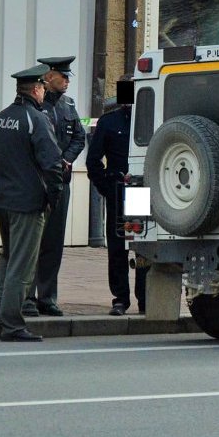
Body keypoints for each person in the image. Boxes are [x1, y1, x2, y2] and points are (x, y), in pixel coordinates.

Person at [0, 64, 64, 342]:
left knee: (8, 255)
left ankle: (1, 307)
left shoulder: (2, 118)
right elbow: (52, 163)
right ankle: (12, 323)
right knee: (22, 264)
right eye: (43, 87)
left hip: (2, 199)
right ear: (36, 89)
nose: (44, 92)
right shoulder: (36, 119)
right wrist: (53, 197)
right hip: (27, 202)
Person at [22, 55, 86, 317]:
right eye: (63, 76)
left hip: (61, 183)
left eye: (68, 77)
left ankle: (47, 297)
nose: (67, 81)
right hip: (38, 182)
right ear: (49, 77)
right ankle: (27, 296)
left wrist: (66, 160)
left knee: (53, 243)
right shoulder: (35, 105)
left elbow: (79, 137)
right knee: (32, 242)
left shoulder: (68, 105)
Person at [86, 77, 147, 316]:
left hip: (141, 192)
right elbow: (93, 161)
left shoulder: (150, 122)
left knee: (142, 246)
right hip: (118, 190)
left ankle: (145, 298)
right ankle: (120, 298)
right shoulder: (109, 122)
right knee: (118, 247)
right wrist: (107, 187)